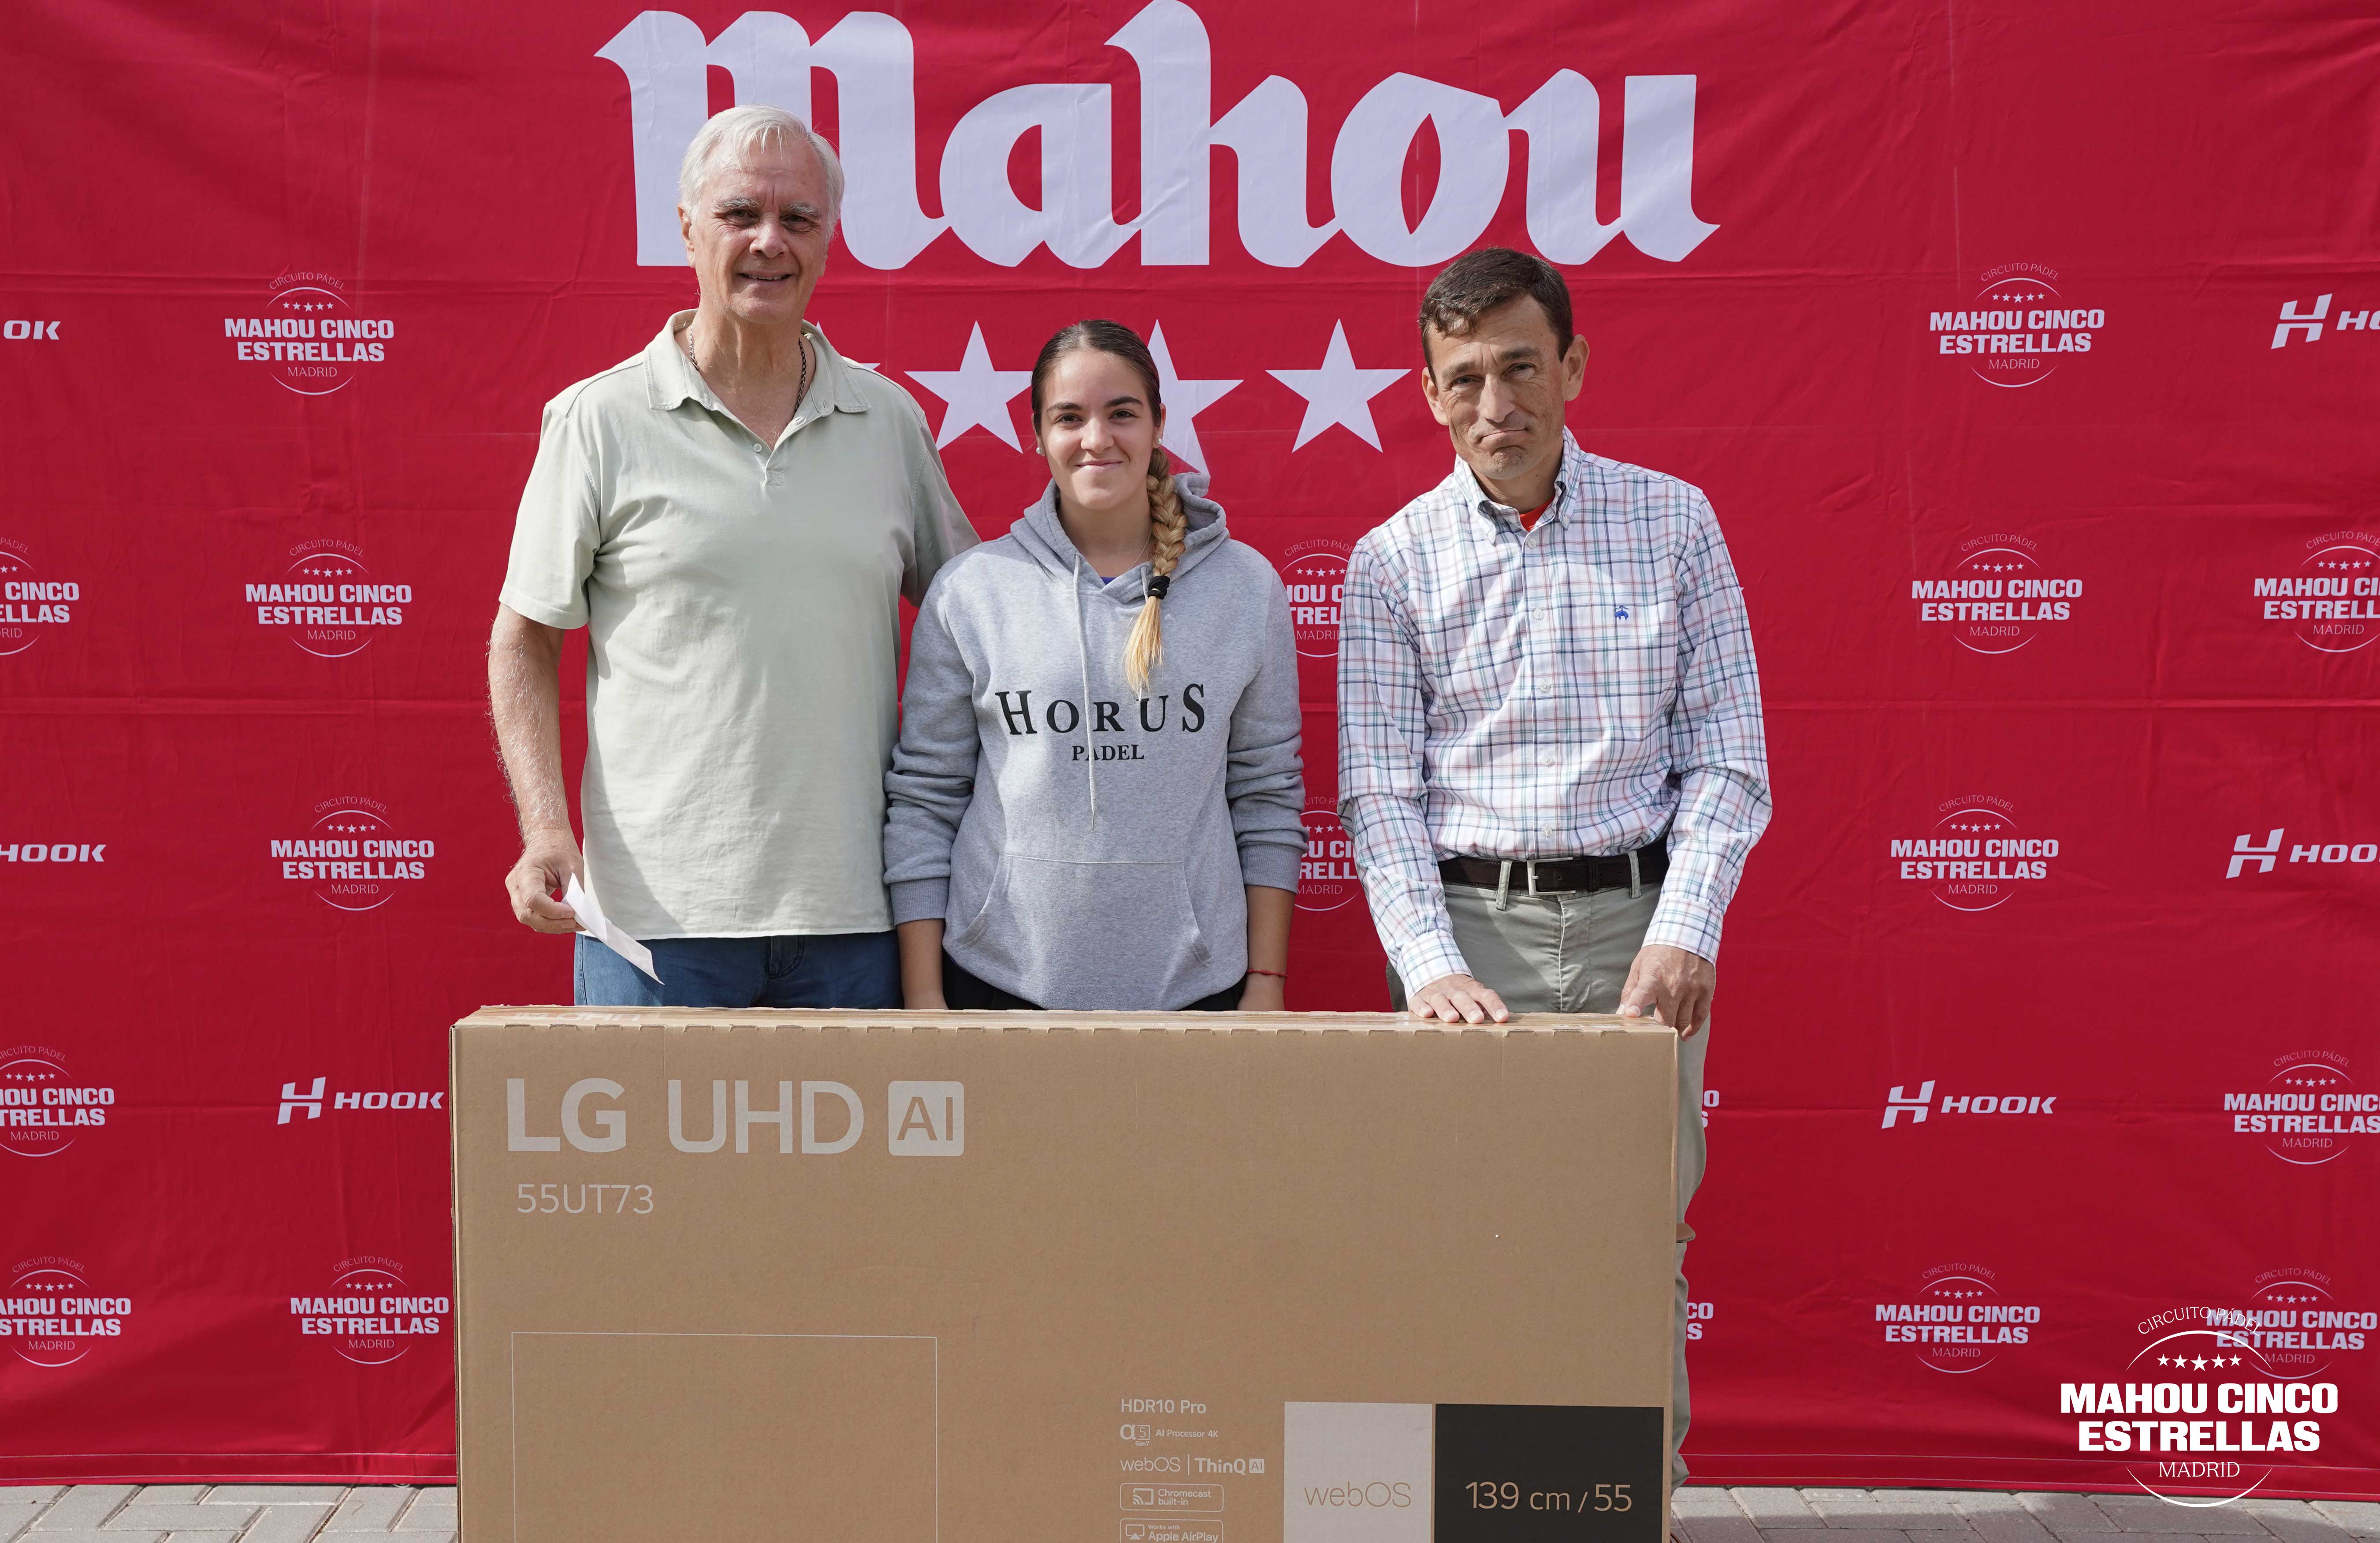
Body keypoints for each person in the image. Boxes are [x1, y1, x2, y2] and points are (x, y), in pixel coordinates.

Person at [1336, 247, 1771, 1498]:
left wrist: (1685, 928)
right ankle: (1481, 1512)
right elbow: (1380, 795)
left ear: (1572, 367)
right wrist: (1430, 966)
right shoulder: (1392, 561)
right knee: (1463, 1246)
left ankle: (1635, 1512)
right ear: (1429, 393)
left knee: (1635, 1244)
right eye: (1466, 378)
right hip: (1470, 940)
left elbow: (1731, 758)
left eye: (1522, 368)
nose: (1498, 405)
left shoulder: (1675, 523)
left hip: (1644, 933)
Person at [488, 105, 976, 1008]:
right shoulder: (599, 419)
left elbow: (981, 616)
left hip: (858, 916)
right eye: (740, 214)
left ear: (829, 238)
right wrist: (547, 827)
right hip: (653, 923)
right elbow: (524, 638)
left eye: (799, 218)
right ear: (687, 229)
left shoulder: (888, 420)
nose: (769, 242)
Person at [884, 320, 1304, 1012]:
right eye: (1069, 418)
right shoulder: (972, 590)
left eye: (1122, 414)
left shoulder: (1244, 587)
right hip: (996, 982)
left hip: (1198, 988)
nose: (1097, 439)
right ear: (1037, 435)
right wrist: (926, 997)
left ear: (1160, 423)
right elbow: (927, 800)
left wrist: (1266, 981)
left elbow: (1267, 797)